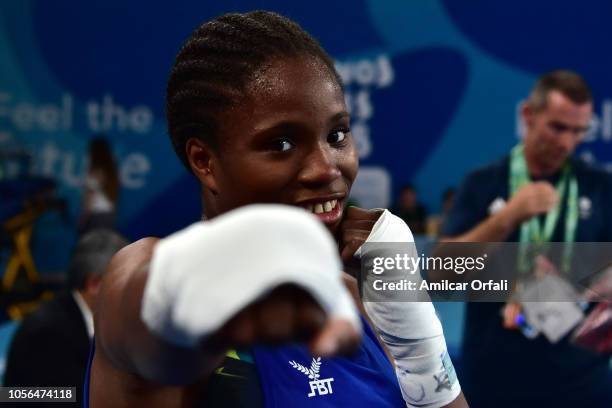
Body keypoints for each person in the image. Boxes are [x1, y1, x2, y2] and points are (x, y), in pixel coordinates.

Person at [87, 11, 467, 408]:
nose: (327, 168)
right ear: (204, 161)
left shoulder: (352, 298)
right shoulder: (140, 280)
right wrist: (190, 288)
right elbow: (144, 317)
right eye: (282, 144)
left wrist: (419, 340)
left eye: (336, 135)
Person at [441, 70, 612, 407]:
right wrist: (507, 216)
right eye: (558, 127)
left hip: (582, 381)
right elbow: (442, 273)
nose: (567, 142)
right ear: (528, 115)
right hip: (497, 378)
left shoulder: (599, 186)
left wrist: (576, 285)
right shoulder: (484, 182)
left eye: (578, 131)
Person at [4, 229, 128, 407]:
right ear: (94, 284)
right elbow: (14, 395)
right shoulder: (45, 331)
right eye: (124, 281)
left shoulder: (100, 321)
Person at [79, 137, 119, 234]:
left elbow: (89, 199)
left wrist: (83, 218)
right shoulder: (112, 171)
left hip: (96, 216)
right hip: (109, 214)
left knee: (92, 247)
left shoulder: (94, 172)